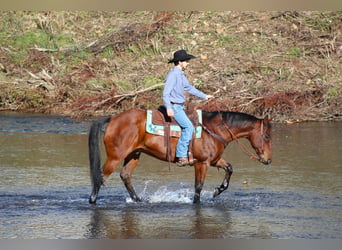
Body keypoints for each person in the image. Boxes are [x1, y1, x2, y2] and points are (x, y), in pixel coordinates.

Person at [162, 49, 214, 166]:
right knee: (189, 128)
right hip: (175, 107)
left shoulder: (180, 74)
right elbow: (165, 93)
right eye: (186, 61)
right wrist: (168, 108)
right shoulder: (173, 75)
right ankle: (181, 156)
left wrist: (205, 96)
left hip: (180, 107)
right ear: (180, 61)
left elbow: (190, 88)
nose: (188, 63)